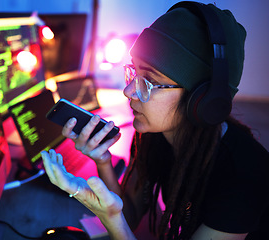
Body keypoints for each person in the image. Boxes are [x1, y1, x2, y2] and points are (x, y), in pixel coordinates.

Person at [41, 1, 269, 239]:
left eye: (148, 81)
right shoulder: (153, 137)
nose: (129, 91)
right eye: (133, 72)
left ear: (202, 100)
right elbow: (128, 213)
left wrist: (112, 221)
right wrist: (103, 162)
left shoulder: (243, 176)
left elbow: (120, 222)